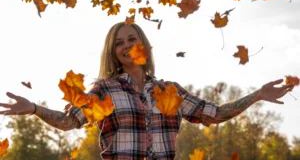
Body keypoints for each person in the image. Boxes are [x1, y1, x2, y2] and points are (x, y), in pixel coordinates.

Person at [0, 22, 294, 160]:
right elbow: (68, 122)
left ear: (143, 45)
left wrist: (256, 96)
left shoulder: (169, 90)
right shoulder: (104, 90)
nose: (126, 45)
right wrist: (34, 109)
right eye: (118, 43)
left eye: (131, 38)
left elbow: (214, 114)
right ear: (113, 53)